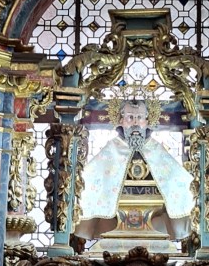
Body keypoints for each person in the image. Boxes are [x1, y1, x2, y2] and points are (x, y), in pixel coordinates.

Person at [75, 98, 193, 242]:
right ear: (121, 120)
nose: (135, 123)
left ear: (147, 121)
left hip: (154, 218)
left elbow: (178, 179)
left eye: (140, 118)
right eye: (130, 117)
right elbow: (90, 178)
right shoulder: (111, 151)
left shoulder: (156, 150)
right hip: (114, 221)